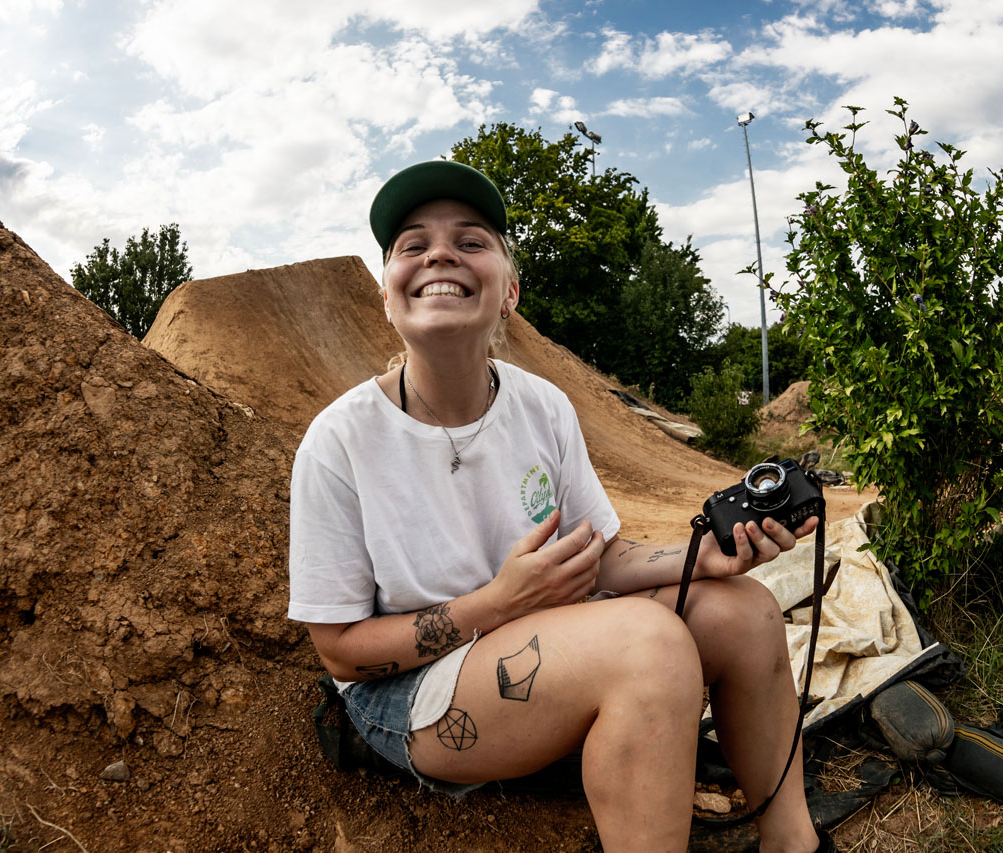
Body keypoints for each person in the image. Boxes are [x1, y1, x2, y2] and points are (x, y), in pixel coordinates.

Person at [289, 159, 834, 853]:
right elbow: (337, 649)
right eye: (413, 244)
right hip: (408, 690)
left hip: (539, 636)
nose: (441, 253)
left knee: (746, 610)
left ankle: (795, 844)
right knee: (650, 647)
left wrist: (706, 555)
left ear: (509, 290)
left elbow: (599, 554)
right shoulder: (338, 442)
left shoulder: (541, 405)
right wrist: (498, 602)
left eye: (472, 239)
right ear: (387, 296)